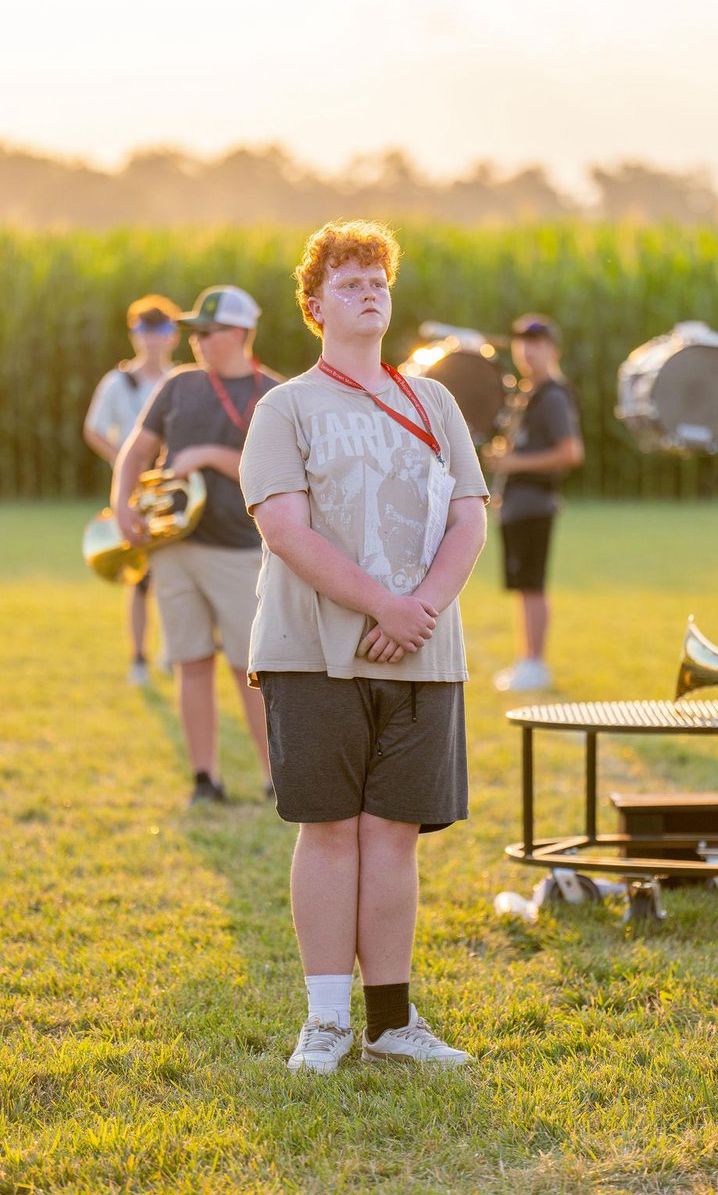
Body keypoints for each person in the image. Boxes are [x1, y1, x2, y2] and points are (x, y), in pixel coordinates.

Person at [239, 220, 488, 1074]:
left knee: (393, 835)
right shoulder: (287, 406)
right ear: (314, 306)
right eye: (348, 281)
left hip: (424, 649)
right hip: (313, 651)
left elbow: (468, 515)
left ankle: (391, 1022)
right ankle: (325, 1021)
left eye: (377, 277)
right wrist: (384, 602)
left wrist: (417, 609)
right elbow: (283, 529)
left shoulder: (435, 402)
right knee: (330, 830)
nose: (369, 291)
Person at [112, 286, 281, 806]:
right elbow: (137, 449)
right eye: (195, 333)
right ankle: (205, 779)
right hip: (174, 548)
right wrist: (121, 501)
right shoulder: (179, 385)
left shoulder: (273, 393)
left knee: (248, 669)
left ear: (237, 335)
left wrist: (207, 454)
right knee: (190, 663)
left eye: (206, 332)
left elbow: (277, 472)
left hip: (238, 551)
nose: (197, 341)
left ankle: (279, 780)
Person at [84, 294, 181, 684]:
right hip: (135, 494)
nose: (152, 340)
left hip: (170, 491)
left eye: (160, 331)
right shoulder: (117, 382)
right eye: (144, 331)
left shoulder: (180, 380)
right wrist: (126, 462)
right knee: (139, 577)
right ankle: (139, 658)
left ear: (172, 336)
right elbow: (93, 430)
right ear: (134, 335)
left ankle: (173, 653)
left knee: (175, 577)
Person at [483, 313, 583, 692]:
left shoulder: (553, 395)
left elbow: (571, 452)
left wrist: (514, 462)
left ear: (553, 350)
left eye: (537, 344)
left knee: (532, 585)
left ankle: (534, 663)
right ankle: (527, 660)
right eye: (523, 344)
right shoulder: (527, 392)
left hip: (535, 503)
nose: (529, 352)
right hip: (517, 504)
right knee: (523, 586)